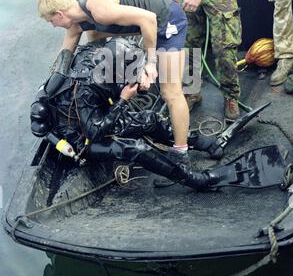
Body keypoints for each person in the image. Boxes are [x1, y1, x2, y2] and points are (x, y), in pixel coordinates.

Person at [30, 38, 224, 191]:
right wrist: (123, 100)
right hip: (82, 138)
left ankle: (197, 141)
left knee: (151, 119)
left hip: (99, 114)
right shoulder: (84, 91)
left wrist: (138, 83)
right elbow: (94, 133)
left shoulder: (96, 59)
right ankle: (190, 179)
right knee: (135, 149)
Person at [38, 0, 189, 163]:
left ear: (60, 14)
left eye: (50, 21)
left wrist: (150, 63)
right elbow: (63, 61)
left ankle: (181, 152)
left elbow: (148, 19)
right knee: (94, 40)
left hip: (166, 21)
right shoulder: (78, 23)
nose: (53, 26)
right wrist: (46, 92)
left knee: (170, 92)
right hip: (143, 24)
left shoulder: (100, 10)